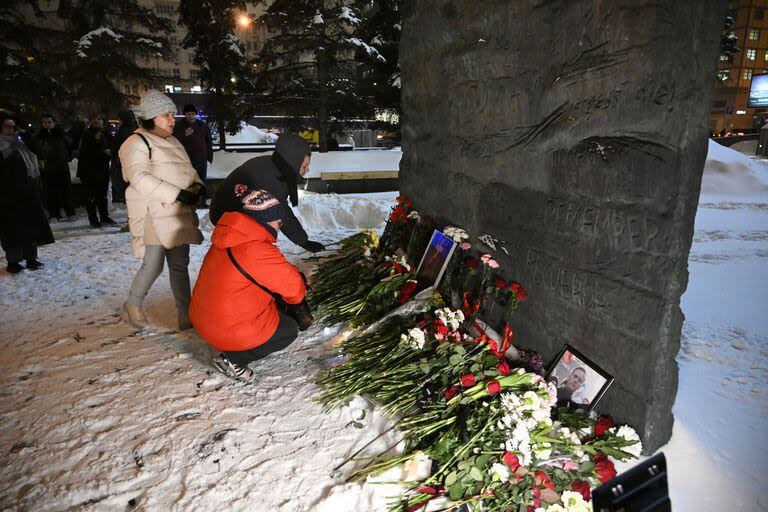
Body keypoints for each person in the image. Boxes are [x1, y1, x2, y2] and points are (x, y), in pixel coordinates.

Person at [190, 186, 312, 382]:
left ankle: (231, 342)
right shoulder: (256, 249)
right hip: (223, 329)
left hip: (202, 319)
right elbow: (295, 290)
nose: (279, 226)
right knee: (288, 329)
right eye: (278, 221)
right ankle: (233, 359)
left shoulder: (232, 237)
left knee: (275, 300)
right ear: (265, 220)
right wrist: (301, 282)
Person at [119, 90, 206, 331]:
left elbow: (189, 172)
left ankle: (185, 314)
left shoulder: (174, 141)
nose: (172, 120)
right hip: (153, 215)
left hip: (178, 215)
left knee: (179, 265)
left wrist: (198, 188)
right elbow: (138, 177)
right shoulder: (136, 142)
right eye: (165, 115)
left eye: (172, 114)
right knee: (154, 264)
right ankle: (133, 304)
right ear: (149, 117)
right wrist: (178, 194)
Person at [210, 133, 325, 253]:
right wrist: (304, 242)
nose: (308, 170)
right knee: (260, 237)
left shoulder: (275, 165)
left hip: (232, 210)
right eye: (304, 166)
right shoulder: (271, 180)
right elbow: (282, 214)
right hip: (226, 215)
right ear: (293, 164)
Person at [0, 114, 54, 273]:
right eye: (7, 126)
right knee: (12, 230)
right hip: (7, 195)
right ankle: (13, 262)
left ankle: (31, 258)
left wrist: (26, 134)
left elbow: (37, 150)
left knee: (30, 226)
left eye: (12, 126)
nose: (10, 129)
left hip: (27, 192)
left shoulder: (20, 143)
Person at [31, 113, 75, 221]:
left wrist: (66, 158)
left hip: (61, 167)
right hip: (47, 169)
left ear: (54, 123)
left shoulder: (61, 134)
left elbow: (70, 147)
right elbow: (36, 150)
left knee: (66, 191)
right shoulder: (40, 136)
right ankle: (54, 214)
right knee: (50, 193)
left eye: (49, 122)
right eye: (44, 122)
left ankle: (70, 213)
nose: (47, 124)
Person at [77, 113, 115, 227]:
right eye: (94, 119)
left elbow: (111, 146)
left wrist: (109, 152)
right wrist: (103, 153)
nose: (96, 121)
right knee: (91, 196)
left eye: (99, 119)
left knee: (102, 195)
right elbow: (86, 152)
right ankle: (93, 219)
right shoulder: (87, 133)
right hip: (89, 171)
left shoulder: (105, 134)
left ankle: (104, 217)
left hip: (102, 169)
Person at [172, 104, 213, 203]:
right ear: (185, 114)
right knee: (190, 181)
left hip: (201, 157)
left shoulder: (202, 125)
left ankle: (202, 202)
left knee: (202, 180)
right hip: (187, 158)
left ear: (195, 114)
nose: (191, 116)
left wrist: (209, 156)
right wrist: (184, 134)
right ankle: (191, 202)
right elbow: (174, 141)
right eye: (188, 114)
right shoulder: (179, 126)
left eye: (193, 114)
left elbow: (208, 141)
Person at [110, 109, 136, 204]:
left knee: (126, 192)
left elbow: (119, 148)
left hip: (122, 165)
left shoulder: (123, 132)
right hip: (131, 165)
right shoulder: (133, 129)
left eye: (119, 118)